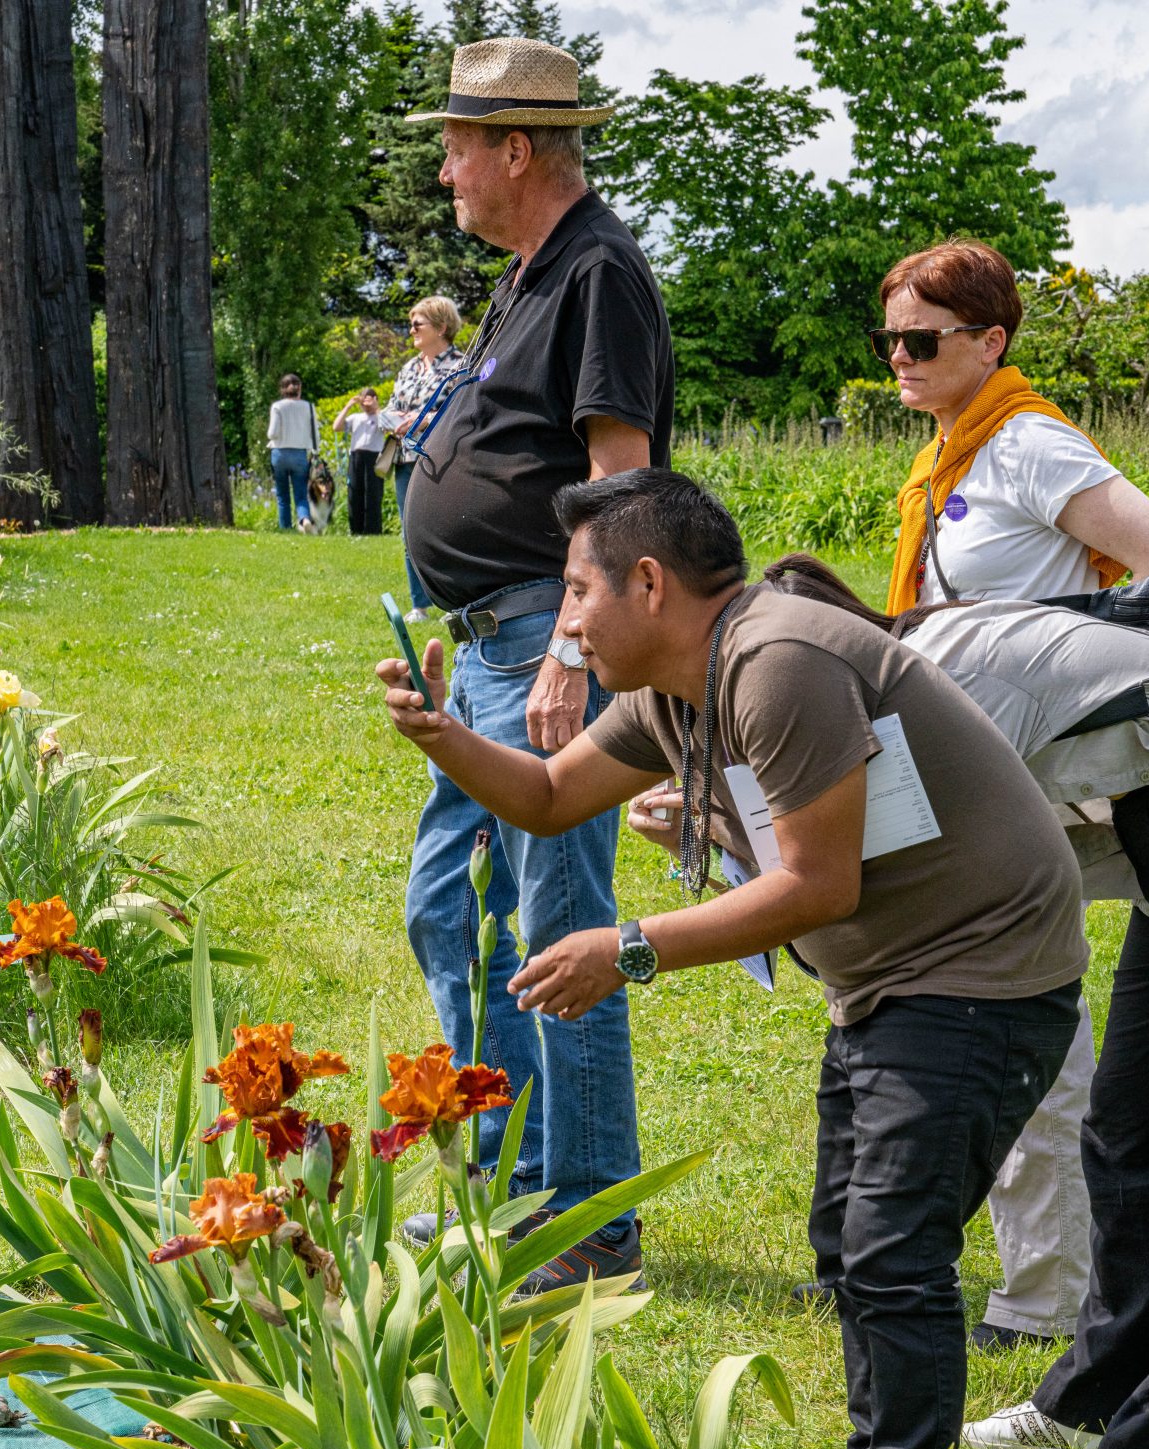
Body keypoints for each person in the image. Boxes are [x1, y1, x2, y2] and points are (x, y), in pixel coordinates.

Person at [376, 469, 1089, 1449]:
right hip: (893, 983)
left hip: (980, 977)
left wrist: (632, 946)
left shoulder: (777, 662)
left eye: (575, 591)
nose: (564, 620)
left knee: (891, 1252)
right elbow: (553, 795)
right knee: (850, 1246)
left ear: (647, 584)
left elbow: (818, 884)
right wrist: (442, 733)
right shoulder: (678, 684)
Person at [728, 555, 1149, 1449]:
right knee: (1127, 1127)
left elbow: (853, 901)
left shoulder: (927, 684)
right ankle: (1098, 1396)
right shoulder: (886, 690)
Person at [868, 238, 1149, 1352]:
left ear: (991, 342)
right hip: (967, 775)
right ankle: (1047, 1281)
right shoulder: (952, 457)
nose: (900, 362)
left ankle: (1049, 1296)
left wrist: (1069, 673)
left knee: (1030, 1036)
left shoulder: (1027, 445)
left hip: (1025, 783)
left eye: (923, 341)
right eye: (890, 343)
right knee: (1001, 1024)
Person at [394, 36, 674, 1291]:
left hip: (542, 650)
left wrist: (570, 645)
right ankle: (505, 1178)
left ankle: (591, 1218)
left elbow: (624, 480)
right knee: (450, 906)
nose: (443, 169)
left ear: (516, 147)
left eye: (455, 144)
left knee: (563, 932)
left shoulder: (599, 271)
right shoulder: (528, 276)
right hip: (492, 646)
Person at [378, 296, 468, 617]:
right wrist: (388, 417)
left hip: (442, 460)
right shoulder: (408, 368)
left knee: (447, 528)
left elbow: (465, 411)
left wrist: (425, 419)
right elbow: (391, 405)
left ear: (442, 327)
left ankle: (455, 602)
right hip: (404, 459)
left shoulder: (460, 366)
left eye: (418, 323)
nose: (411, 329)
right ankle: (419, 604)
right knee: (410, 530)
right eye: (410, 323)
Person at [265, 375, 316, 531]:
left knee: (282, 495)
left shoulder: (277, 407)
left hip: (280, 453)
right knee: (301, 493)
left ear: (282, 389)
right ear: (299, 389)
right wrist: (315, 452)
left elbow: (271, 434)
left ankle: (285, 528)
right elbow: (315, 433)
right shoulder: (309, 407)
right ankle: (304, 519)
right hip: (300, 453)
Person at [340, 387, 385, 536]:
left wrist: (376, 407)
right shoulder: (356, 418)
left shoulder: (381, 416)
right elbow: (336, 426)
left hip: (374, 456)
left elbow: (389, 425)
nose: (365, 402)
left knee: (373, 493)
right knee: (355, 491)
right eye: (363, 398)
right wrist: (349, 405)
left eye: (369, 398)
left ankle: (373, 530)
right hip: (356, 456)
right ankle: (355, 529)